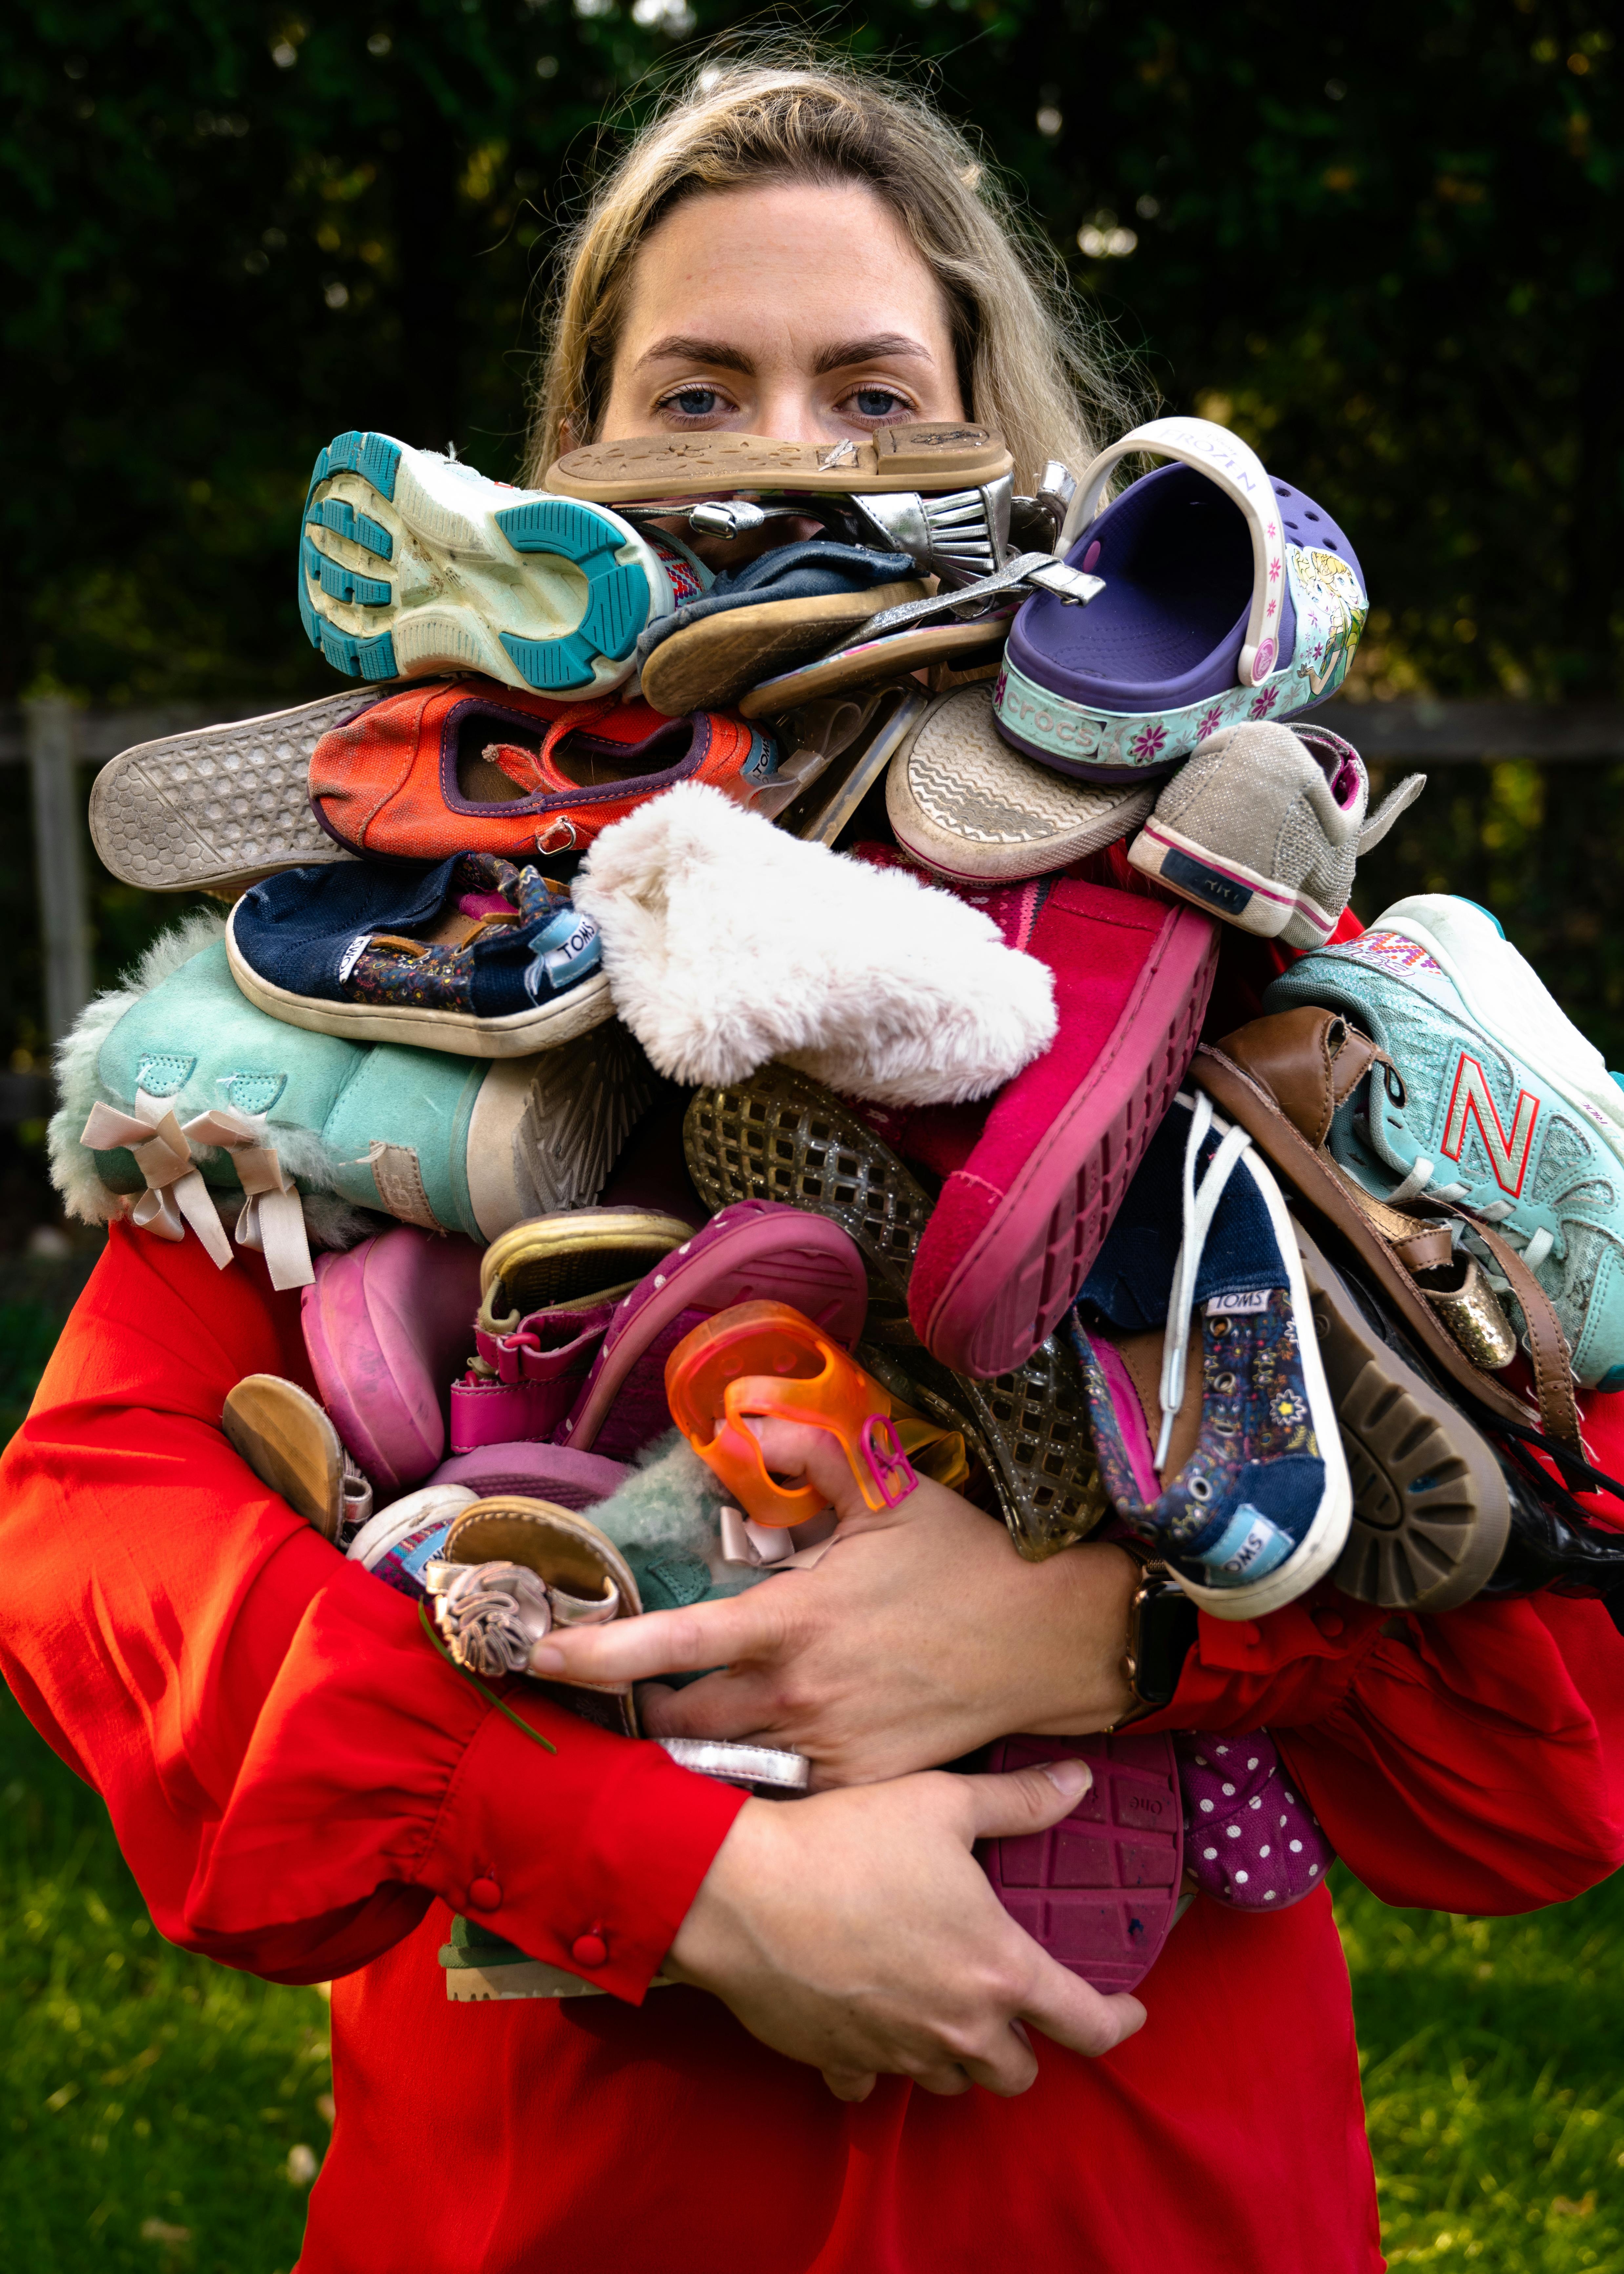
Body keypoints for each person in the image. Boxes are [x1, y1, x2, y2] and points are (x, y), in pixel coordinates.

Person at [5, 53, 1624, 2274]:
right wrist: (666, 1869)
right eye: (698, 392)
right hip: (554, 2200)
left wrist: (1132, 1627)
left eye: (873, 393)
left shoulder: (1255, 948)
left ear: (1015, 466)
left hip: (1144, 2195)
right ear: (564, 478)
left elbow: (1567, 1688)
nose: (787, 458)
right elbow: (99, 1541)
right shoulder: (355, 999)